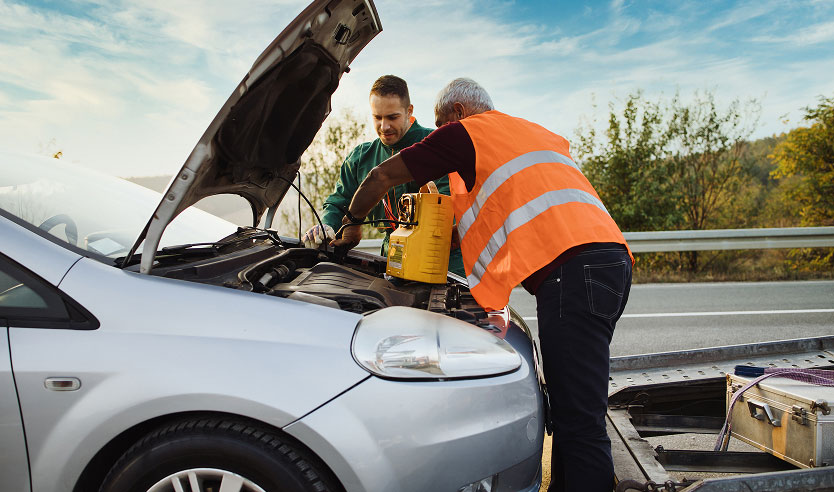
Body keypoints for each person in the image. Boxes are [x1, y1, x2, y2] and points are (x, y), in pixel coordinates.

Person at [333, 78, 633, 492]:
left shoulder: (465, 133)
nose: (439, 136)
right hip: (606, 265)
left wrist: (349, 226)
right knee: (570, 410)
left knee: (580, 420)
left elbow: (382, 175)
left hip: (575, 273)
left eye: (439, 126)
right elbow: (493, 217)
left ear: (455, 114)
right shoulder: (527, 133)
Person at [302, 74, 465, 277]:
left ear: (409, 111)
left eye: (392, 117)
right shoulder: (360, 157)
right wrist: (326, 225)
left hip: (444, 261)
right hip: (391, 258)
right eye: (377, 117)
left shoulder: (436, 145)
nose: (384, 126)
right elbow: (339, 202)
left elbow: (451, 207)